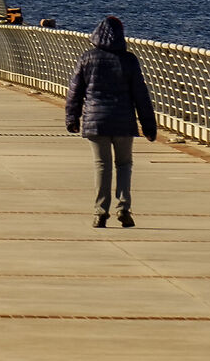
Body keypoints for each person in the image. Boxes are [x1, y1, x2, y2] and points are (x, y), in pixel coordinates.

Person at [65, 16, 158, 228]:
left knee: (102, 165)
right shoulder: (129, 60)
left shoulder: (87, 58)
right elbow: (141, 95)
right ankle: (124, 208)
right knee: (124, 164)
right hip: (123, 121)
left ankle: (100, 212)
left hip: (95, 121)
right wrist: (149, 126)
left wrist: (72, 117)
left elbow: (75, 91)